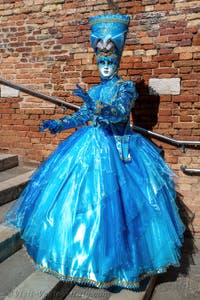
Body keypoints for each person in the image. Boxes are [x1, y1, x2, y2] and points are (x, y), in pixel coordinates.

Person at [4, 14, 185, 289]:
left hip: (119, 150)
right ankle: (80, 258)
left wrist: (97, 106)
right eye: (101, 61)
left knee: (118, 210)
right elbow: (81, 116)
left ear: (117, 61)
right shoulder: (94, 89)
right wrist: (59, 124)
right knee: (80, 203)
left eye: (110, 61)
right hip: (89, 146)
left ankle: (120, 266)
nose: (105, 66)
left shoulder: (125, 89)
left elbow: (119, 113)